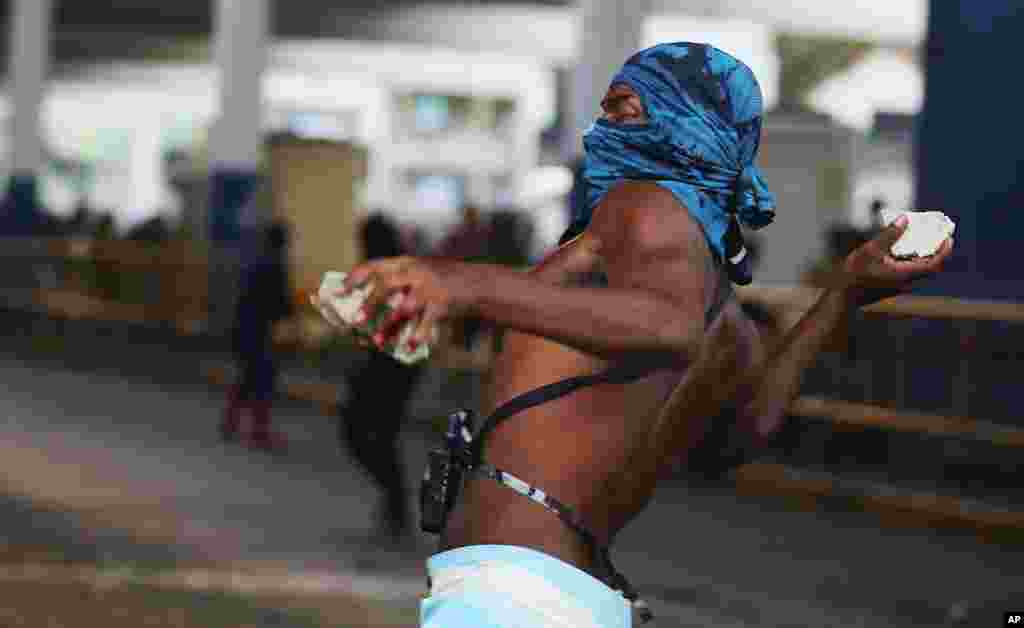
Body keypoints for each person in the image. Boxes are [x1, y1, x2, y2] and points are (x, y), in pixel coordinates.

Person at [335, 43, 953, 628]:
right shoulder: (727, 320)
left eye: (629, 104)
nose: (605, 123)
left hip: (509, 596)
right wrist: (845, 293)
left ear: (695, 122)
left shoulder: (646, 203)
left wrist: (461, 286)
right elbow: (741, 437)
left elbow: (668, 326)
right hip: (567, 595)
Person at [338, 213, 426, 542]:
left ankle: (397, 507)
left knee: (367, 433)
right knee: (370, 435)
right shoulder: (386, 273)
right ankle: (396, 506)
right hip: (391, 366)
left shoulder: (396, 276)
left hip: (394, 367)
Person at [220, 221, 294, 452]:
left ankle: (230, 423)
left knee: (248, 378)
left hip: (242, 328)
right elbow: (281, 304)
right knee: (262, 381)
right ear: (282, 243)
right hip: (259, 332)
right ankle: (258, 433)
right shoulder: (275, 265)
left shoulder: (254, 262)